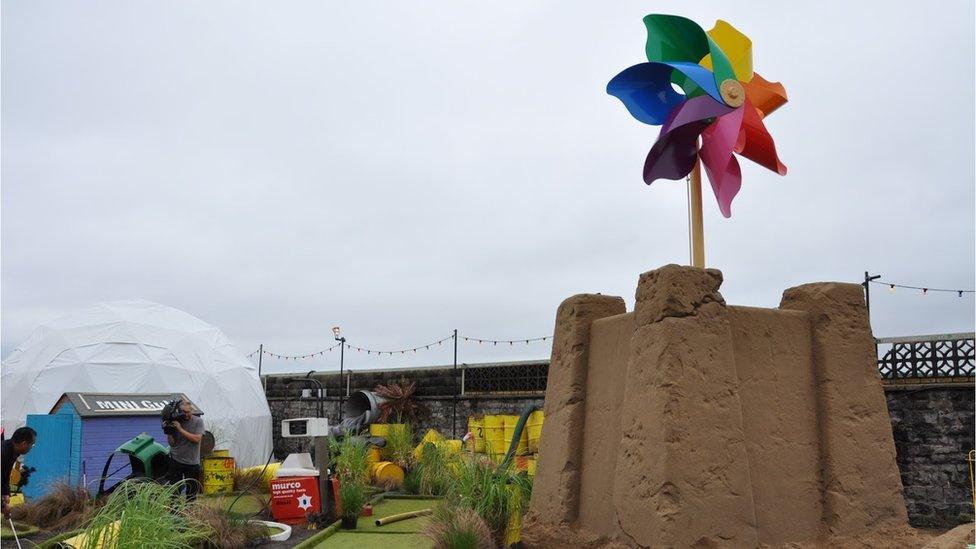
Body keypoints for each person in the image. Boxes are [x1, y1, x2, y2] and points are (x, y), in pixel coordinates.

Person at [163, 400, 204, 500]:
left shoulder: (198, 421)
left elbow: (197, 439)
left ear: (191, 410)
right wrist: (168, 431)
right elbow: (172, 443)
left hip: (192, 462)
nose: (185, 414)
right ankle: (174, 513)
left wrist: (180, 429)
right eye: (183, 412)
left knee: (191, 493)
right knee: (174, 491)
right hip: (176, 460)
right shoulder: (176, 421)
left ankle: (189, 513)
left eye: (187, 412)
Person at [2, 427, 36, 516]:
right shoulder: (3, 453)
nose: (31, 448)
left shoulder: (12, 451)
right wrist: (2, 506)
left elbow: (5, 474)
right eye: (32, 444)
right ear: (24, 444)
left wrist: (5, 493)